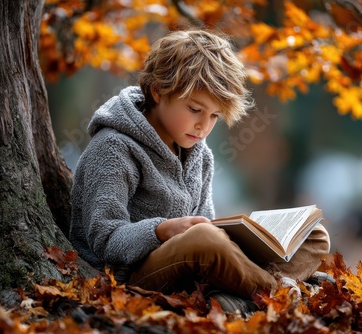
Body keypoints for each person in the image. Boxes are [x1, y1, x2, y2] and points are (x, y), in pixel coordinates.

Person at [70, 29, 331, 313]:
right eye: (195, 109)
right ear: (158, 91)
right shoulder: (112, 147)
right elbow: (106, 241)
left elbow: (208, 225)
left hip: (190, 267)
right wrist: (161, 230)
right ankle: (276, 295)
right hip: (126, 279)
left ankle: (250, 292)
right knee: (204, 240)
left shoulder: (199, 154)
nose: (204, 126)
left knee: (314, 235)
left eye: (215, 116)